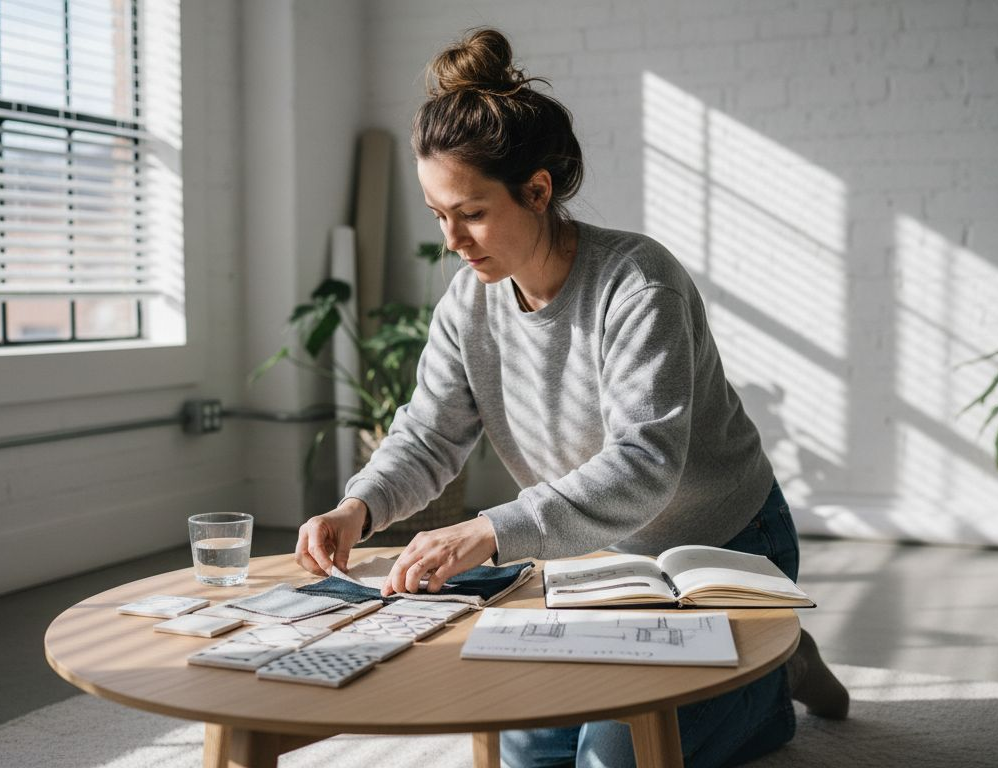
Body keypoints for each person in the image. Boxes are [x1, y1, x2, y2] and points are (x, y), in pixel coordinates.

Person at [294, 27, 849, 767]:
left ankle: (774, 674)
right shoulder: (469, 303)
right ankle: (750, 674)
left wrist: (487, 531)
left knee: (611, 760)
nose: (452, 239)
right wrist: (356, 507)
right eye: (438, 215)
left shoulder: (638, 284)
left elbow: (645, 463)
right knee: (530, 750)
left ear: (537, 190)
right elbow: (430, 433)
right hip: (599, 559)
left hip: (723, 547)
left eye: (472, 212)